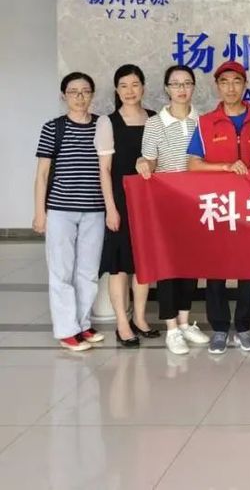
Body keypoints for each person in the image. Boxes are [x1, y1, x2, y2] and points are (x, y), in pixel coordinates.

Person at [187, 60, 250, 355]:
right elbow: (193, 164)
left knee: (249, 267)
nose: (231, 88)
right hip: (218, 205)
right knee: (216, 267)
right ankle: (220, 328)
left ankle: (244, 327)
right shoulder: (206, 122)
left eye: (236, 81)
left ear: (245, 85)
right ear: (217, 87)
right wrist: (225, 167)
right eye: (225, 82)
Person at [137, 65, 209, 355]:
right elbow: (150, 160)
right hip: (166, 205)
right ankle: (171, 328)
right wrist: (143, 164)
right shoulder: (154, 123)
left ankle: (184, 321)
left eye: (187, 83)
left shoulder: (203, 121)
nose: (181, 89)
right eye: (175, 84)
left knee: (190, 265)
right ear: (166, 88)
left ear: (193, 87)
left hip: (196, 204)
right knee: (168, 266)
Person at [33, 72, 106, 352]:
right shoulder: (53, 128)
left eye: (85, 91)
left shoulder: (101, 125)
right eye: (73, 91)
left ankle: (83, 323)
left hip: (94, 210)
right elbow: (42, 174)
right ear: (64, 96)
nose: (79, 96)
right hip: (60, 210)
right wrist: (40, 213)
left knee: (88, 271)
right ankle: (66, 330)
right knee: (61, 271)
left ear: (92, 95)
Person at [96, 64, 157, 348]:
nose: (130, 91)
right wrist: (111, 208)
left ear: (143, 87)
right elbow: (105, 170)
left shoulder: (155, 119)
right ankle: (122, 322)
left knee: (143, 261)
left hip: (149, 201)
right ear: (116, 90)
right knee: (119, 265)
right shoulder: (108, 122)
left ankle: (140, 318)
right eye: (123, 86)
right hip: (120, 200)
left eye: (135, 85)